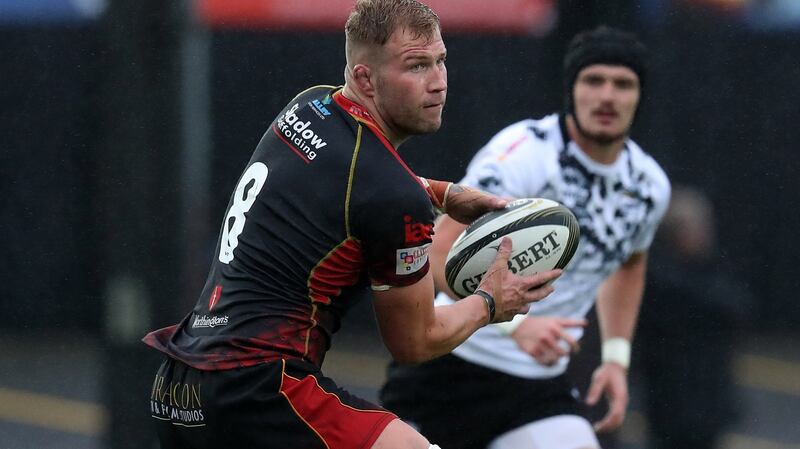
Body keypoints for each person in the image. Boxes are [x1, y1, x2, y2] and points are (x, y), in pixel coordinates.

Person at [141, 1, 561, 449]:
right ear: (365, 79)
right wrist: (491, 303)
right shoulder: (392, 197)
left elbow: (354, 180)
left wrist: (444, 193)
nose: (438, 82)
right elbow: (416, 342)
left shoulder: (309, 107)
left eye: (441, 61)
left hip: (181, 384)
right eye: (416, 66)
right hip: (257, 388)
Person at [380, 25, 671, 449]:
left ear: (640, 95)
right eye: (594, 80)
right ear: (571, 88)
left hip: (536, 385)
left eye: (623, 84)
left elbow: (629, 262)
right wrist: (517, 325)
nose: (607, 96)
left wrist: (614, 358)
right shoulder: (523, 154)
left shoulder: (648, 186)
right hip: (450, 365)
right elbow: (439, 252)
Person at [634, 185, 751, 449]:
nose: (705, 234)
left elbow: (738, 307)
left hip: (704, 397)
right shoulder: (662, 277)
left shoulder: (710, 269)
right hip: (673, 398)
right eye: (698, 227)